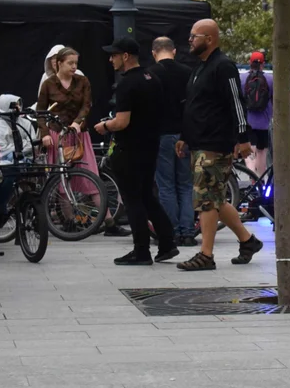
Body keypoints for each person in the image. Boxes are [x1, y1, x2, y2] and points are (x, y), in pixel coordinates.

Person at [175, 19, 262, 271]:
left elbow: (237, 103)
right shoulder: (199, 68)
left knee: (206, 200)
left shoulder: (223, 67)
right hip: (199, 142)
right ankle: (248, 241)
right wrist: (184, 136)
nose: (190, 40)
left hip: (215, 144)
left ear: (209, 39)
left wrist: (243, 137)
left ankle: (206, 254)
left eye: (194, 36)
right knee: (214, 199)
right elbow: (193, 106)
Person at [94, 37, 178, 265]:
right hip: (151, 145)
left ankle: (141, 250)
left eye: (114, 55)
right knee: (147, 197)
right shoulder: (152, 78)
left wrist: (105, 126)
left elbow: (121, 121)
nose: (110, 59)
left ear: (126, 56)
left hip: (129, 148)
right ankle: (168, 242)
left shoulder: (127, 83)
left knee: (133, 200)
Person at [148, 36, 196, 247]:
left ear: (153, 52)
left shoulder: (151, 74)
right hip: (184, 134)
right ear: (174, 51)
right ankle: (188, 232)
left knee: (165, 186)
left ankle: (172, 232)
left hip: (161, 134)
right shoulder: (188, 73)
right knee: (185, 185)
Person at [36, 46, 101, 185]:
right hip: (58, 134)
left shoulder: (82, 81)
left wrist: (78, 122)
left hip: (78, 133)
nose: (74, 66)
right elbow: (40, 111)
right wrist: (45, 133)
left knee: (90, 178)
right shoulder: (48, 83)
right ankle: (66, 206)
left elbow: (86, 104)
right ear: (60, 63)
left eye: (76, 63)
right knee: (61, 182)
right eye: (70, 63)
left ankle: (102, 207)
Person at [241, 51, 273, 175]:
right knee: (262, 153)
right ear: (263, 64)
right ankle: (261, 181)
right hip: (264, 124)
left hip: (247, 122)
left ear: (250, 63)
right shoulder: (270, 79)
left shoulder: (242, 78)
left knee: (249, 154)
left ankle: (252, 179)